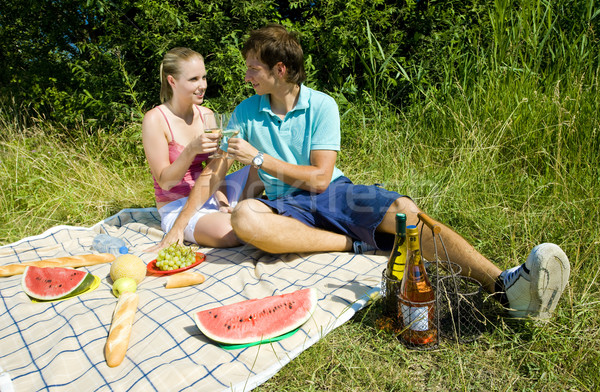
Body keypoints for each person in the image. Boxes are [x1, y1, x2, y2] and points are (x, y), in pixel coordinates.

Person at [164, 26, 570, 320]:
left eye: (254, 68)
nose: (247, 75)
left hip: (331, 192)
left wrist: (257, 159)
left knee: (406, 214)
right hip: (284, 204)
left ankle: (504, 286)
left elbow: (321, 178)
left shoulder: (322, 106)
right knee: (244, 216)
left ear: (281, 70)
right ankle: (353, 245)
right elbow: (213, 174)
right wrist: (176, 228)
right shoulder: (245, 112)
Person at [142, 47, 261, 250]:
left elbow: (215, 170)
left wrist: (223, 201)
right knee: (231, 233)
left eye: (204, 78)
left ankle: (239, 209)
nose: (202, 85)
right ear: (172, 81)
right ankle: (241, 214)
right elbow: (166, 182)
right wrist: (191, 150)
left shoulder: (206, 114)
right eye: (193, 79)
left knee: (262, 164)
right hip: (176, 204)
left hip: (209, 193)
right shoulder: (155, 119)